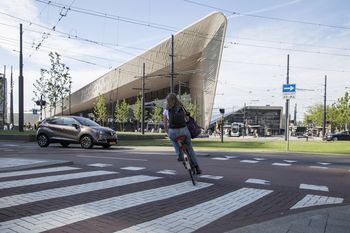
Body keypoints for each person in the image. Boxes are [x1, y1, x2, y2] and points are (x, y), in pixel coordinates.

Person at [163, 93, 202, 174]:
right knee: (190, 148)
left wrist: (167, 131)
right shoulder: (181, 107)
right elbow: (187, 118)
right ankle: (197, 167)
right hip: (184, 130)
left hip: (172, 131)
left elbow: (165, 123)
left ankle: (179, 155)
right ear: (176, 99)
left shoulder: (166, 110)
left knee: (174, 141)